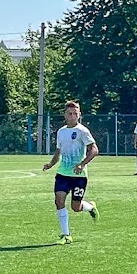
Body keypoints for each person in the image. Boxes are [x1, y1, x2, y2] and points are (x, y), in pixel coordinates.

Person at [43, 100, 100, 244]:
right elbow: (58, 151)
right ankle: (66, 235)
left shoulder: (82, 131)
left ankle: (90, 207)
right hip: (63, 173)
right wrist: (51, 164)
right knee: (59, 201)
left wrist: (82, 164)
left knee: (76, 207)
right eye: (70, 113)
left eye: (76, 113)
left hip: (79, 176)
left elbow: (94, 149)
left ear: (79, 114)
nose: (73, 116)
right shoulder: (61, 132)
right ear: (65, 115)